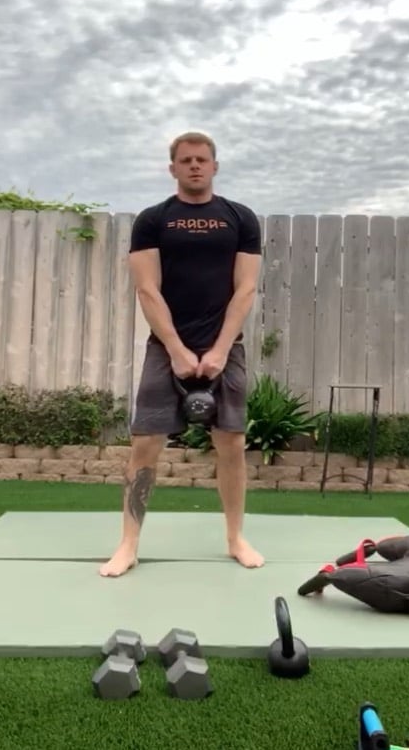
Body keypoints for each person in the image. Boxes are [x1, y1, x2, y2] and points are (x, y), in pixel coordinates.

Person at [99, 131, 265, 577]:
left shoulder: (240, 218)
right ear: (172, 167)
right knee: (145, 444)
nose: (194, 165)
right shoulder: (153, 220)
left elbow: (246, 288)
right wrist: (175, 348)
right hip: (164, 347)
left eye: (202, 159)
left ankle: (235, 538)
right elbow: (147, 289)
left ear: (214, 166)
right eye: (186, 160)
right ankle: (128, 545)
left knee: (231, 443)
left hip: (225, 347)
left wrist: (221, 349)